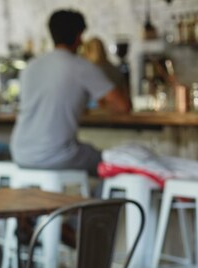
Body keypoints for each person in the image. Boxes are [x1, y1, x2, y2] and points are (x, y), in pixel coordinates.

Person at [10, 10, 130, 177]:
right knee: (109, 162)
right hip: (55, 155)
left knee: (85, 152)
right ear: (79, 37)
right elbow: (123, 106)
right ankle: (98, 201)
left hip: (20, 153)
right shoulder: (81, 66)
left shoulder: (30, 67)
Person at [81, 37, 132, 109]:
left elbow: (98, 101)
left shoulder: (92, 71)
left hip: (99, 115)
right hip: (117, 115)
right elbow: (126, 96)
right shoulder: (115, 69)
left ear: (88, 51)